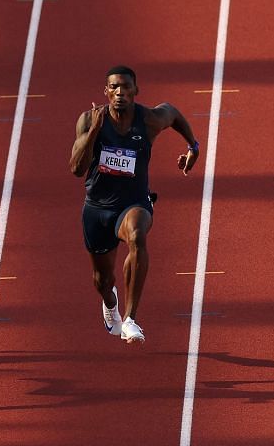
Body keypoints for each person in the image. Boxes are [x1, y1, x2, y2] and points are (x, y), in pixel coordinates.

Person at [68, 65, 200, 343]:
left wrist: (193, 147)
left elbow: (173, 113)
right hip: (97, 208)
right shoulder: (88, 120)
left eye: (126, 87)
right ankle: (111, 303)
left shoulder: (149, 119)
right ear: (105, 92)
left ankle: (130, 319)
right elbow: (76, 169)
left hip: (134, 203)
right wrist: (94, 131)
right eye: (114, 87)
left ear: (135, 91)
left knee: (137, 237)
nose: (120, 92)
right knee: (102, 281)